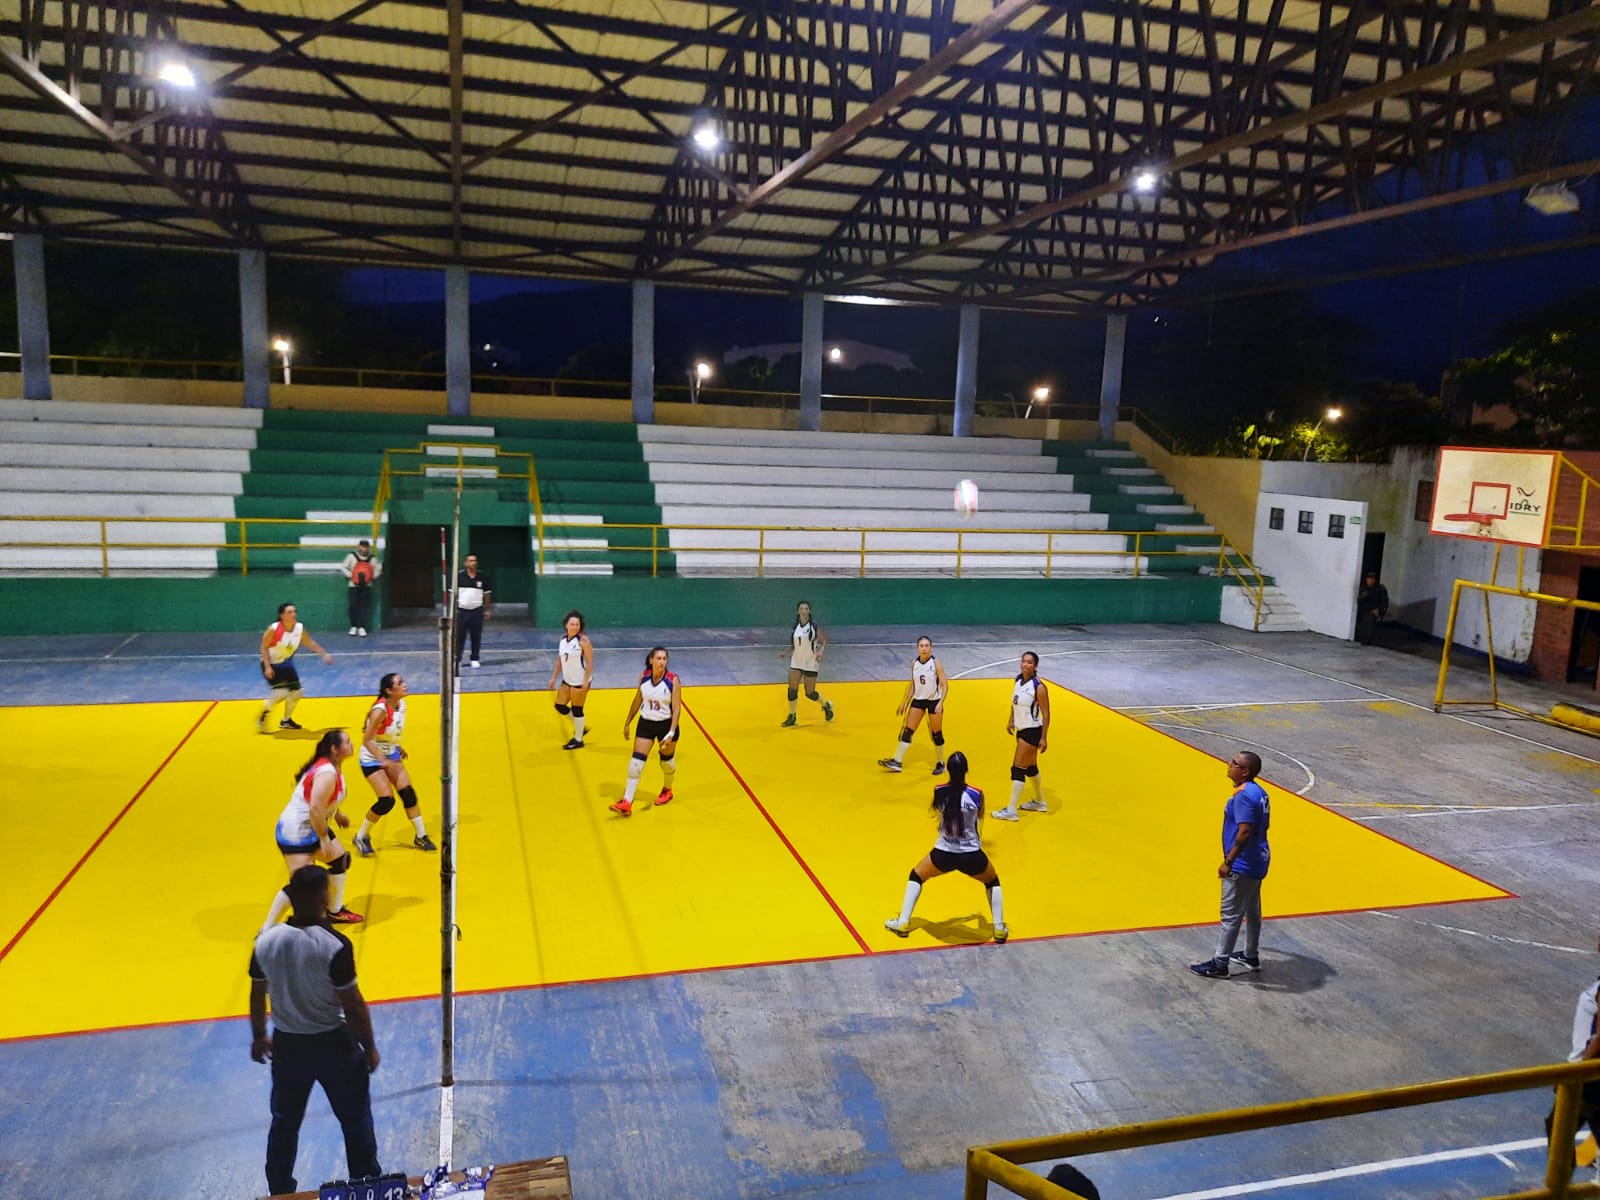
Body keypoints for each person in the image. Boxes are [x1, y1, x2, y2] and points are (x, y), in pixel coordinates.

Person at [249, 864, 381, 1197]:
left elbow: (257, 993)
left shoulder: (265, 941)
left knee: (284, 1123)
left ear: (291, 897)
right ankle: (366, 1184)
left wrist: (259, 1036)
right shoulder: (334, 944)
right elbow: (353, 1004)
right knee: (355, 1120)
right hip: (333, 1045)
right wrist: (369, 1046)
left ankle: (280, 1190)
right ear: (324, 897)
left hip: (287, 1047)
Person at [883, 751, 1008, 944]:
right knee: (992, 881)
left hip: (943, 853)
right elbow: (979, 818)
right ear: (966, 771)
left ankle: (903, 922)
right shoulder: (977, 794)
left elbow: (936, 811)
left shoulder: (939, 791)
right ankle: (999, 929)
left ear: (948, 770)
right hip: (971, 854)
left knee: (916, 876)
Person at [264, 729, 364, 929]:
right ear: (335, 749)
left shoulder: (331, 766)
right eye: (347, 742)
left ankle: (335, 910)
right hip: (296, 832)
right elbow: (315, 808)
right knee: (301, 885)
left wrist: (337, 813)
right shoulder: (327, 773)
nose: (351, 744)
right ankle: (265, 930)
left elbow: (322, 799)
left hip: (313, 824)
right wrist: (324, 839)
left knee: (340, 860)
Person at [1191, 750, 1271, 978]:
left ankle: (1220, 963)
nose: (1229, 764)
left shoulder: (1243, 795)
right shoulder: (1259, 791)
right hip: (1259, 858)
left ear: (1244, 771)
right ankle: (1250, 954)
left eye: (1234, 763)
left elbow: (1245, 830)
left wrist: (1229, 861)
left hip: (1242, 864)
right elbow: (1264, 825)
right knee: (1252, 909)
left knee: (1231, 914)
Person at [351, 673, 436, 856]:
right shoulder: (380, 710)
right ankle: (361, 836)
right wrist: (382, 759)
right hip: (372, 758)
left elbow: (390, 731)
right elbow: (367, 740)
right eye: (400, 683)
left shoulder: (402, 705)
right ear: (389, 691)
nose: (405, 685)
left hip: (391, 753)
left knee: (408, 794)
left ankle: (421, 835)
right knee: (387, 801)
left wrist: (397, 746)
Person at [1545, 935, 1600, 1187]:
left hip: (1589, 1076)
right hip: (1589, 1073)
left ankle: (1559, 1190)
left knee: (1558, 1129)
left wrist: (1576, 1074)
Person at [611, 646, 681, 817]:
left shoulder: (672, 680)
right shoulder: (644, 677)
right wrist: (628, 721)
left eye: (664, 659)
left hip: (665, 725)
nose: (662, 662)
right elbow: (638, 699)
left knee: (667, 763)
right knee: (635, 764)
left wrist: (671, 732)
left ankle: (667, 789)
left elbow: (676, 709)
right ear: (651, 660)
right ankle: (627, 802)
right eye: (658, 658)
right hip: (646, 723)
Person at [258, 602, 334, 733]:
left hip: (286, 663)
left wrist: (324, 654)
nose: (294, 614)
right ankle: (264, 715)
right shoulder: (274, 629)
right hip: (271, 664)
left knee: (297, 692)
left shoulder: (299, 628)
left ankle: (286, 720)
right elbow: (264, 648)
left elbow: (309, 642)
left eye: (294, 611)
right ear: (282, 616)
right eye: (289, 612)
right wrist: (267, 667)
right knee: (281, 692)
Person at [878, 636, 950, 774]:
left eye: (927, 646)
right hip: (919, 700)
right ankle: (897, 761)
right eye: (921, 646)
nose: (924, 648)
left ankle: (941, 763)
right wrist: (905, 702)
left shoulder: (936, 663)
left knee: (936, 734)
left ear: (931, 648)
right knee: (908, 730)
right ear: (917, 648)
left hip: (934, 701)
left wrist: (940, 703)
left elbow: (945, 685)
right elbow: (913, 684)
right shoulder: (914, 663)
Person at [992, 651, 1050, 820]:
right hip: (1021, 729)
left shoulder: (1039, 687)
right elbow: (1015, 702)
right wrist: (1011, 719)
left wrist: (1044, 738)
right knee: (1030, 767)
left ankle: (1011, 810)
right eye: (1023, 661)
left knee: (1017, 768)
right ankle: (1040, 802)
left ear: (1035, 665)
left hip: (1032, 731)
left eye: (1029, 662)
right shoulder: (1018, 680)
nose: (1025, 665)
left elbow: (1046, 714)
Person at [780, 599, 834, 727]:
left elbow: (824, 640)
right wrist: (787, 653)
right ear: (798, 612)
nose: (804, 611)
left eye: (806, 609)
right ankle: (792, 715)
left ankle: (826, 705)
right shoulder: (796, 627)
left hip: (810, 661)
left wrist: (821, 651)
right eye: (801, 609)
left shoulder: (814, 626)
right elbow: (795, 645)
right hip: (796, 661)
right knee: (792, 689)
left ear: (809, 611)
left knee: (810, 693)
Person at [549, 609, 595, 750]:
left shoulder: (583, 641)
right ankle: (580, 727)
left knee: (577, 709)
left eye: (577, 624)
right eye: (572, 624)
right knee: (559, 705)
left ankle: (578, 739)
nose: (575, 627)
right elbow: (560, 660)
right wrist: (554, 677)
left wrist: (586, 682)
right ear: (566, 625)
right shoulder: (563, 640)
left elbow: (590, 662)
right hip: (567, 679)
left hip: (579, 681)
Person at [454, 553, 491, 670]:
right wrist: (453, 609)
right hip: (462, 611)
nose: (473, 563)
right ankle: (458, 659)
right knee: (460, 636)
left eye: (474, 560)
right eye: (470, 561)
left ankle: (475, 659)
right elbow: (452, 594)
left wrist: (487, 609)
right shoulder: (459, 576)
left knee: (476, 636)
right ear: (466, 563)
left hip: (477, 611)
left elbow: (487, 594)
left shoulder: (482, 576)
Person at [340, 539, 381, 637]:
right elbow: (344, 567)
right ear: (358, 547)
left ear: (368, 548)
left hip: (367, 586)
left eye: (366, 547)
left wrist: (371, 577)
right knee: (353, 606)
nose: (364, 549)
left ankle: (362, 627)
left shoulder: (372, 559)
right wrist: (351, 576)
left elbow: (378, 570)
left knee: (364, 607)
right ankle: (353, 626)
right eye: (362, 547)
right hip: (354, 586)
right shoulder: (351, 556)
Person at [1356, 570, 1390, 644]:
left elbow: (1384, 601)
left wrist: (1378, 609)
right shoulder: (1364, 588)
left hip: (1375, 610)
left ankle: (1368, 640)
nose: (1370, 581)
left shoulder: (1380, 589)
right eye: (1368, 579)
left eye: (1372, 579)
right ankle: (1363, 639)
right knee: (1363, 623)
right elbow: (1359, 601)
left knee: (1370, 621)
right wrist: (1362, 597)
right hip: (1365, 610)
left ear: (1375, 580)